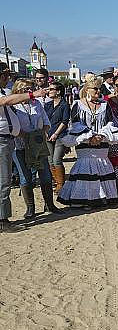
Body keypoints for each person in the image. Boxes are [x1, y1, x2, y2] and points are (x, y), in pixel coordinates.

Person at [58, 79, 118, 206]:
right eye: (95, 89)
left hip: (101, 143)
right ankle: (85, 200)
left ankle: (103, 198)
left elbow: (110, 122)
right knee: (86, 167)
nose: (98, 91)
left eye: (99, 89)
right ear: (87, 90)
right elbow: (75, 123)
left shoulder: (105, 105)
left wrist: (100, 135)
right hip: (85, 143)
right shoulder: (78, 104)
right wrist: (89, 137)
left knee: (102, 166)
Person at [0, 64, 47, 232]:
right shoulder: (4, 95)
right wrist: (32, 93)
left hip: (9, 139)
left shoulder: (4, 91)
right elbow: (5, 102)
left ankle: (3, 218)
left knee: (5, 181)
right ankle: (3, 220)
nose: (7, 79)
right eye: (4, 75)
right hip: (2, 141)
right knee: (4, 181)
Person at [11, 78, 63, 218]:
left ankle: (49, 205)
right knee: (26, 178)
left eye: (31, 89)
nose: (30, 91)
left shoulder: (37, 104)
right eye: (27, 89)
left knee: (45, 175)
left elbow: (46, 123)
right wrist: (26, 136)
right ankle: (30, 208)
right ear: (18, 91)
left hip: (38, 145)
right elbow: (13, 127)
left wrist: (40, 134)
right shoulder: (13, 107)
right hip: (20, 146)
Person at [44, 82, 70, 194]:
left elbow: (65, 121)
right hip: (48, 135)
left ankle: (60, 184)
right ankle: (56, 181)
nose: (49, 91)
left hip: (60, 135)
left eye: (51, 89)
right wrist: (45, 132)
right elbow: (44, 119)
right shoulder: (48, 105)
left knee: (56, 160)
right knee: (50, 161)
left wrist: (55, 133)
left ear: (58, 91)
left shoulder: (64, 105)